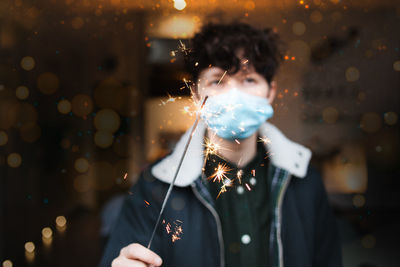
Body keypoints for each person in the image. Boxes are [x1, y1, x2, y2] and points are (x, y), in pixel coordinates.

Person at [99, 22, 342, 267]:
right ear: (195, 93)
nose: (233, 96)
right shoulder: (155, 186)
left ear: (270, 92)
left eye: (249, 80)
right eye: (218, 81)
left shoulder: (305, 181)